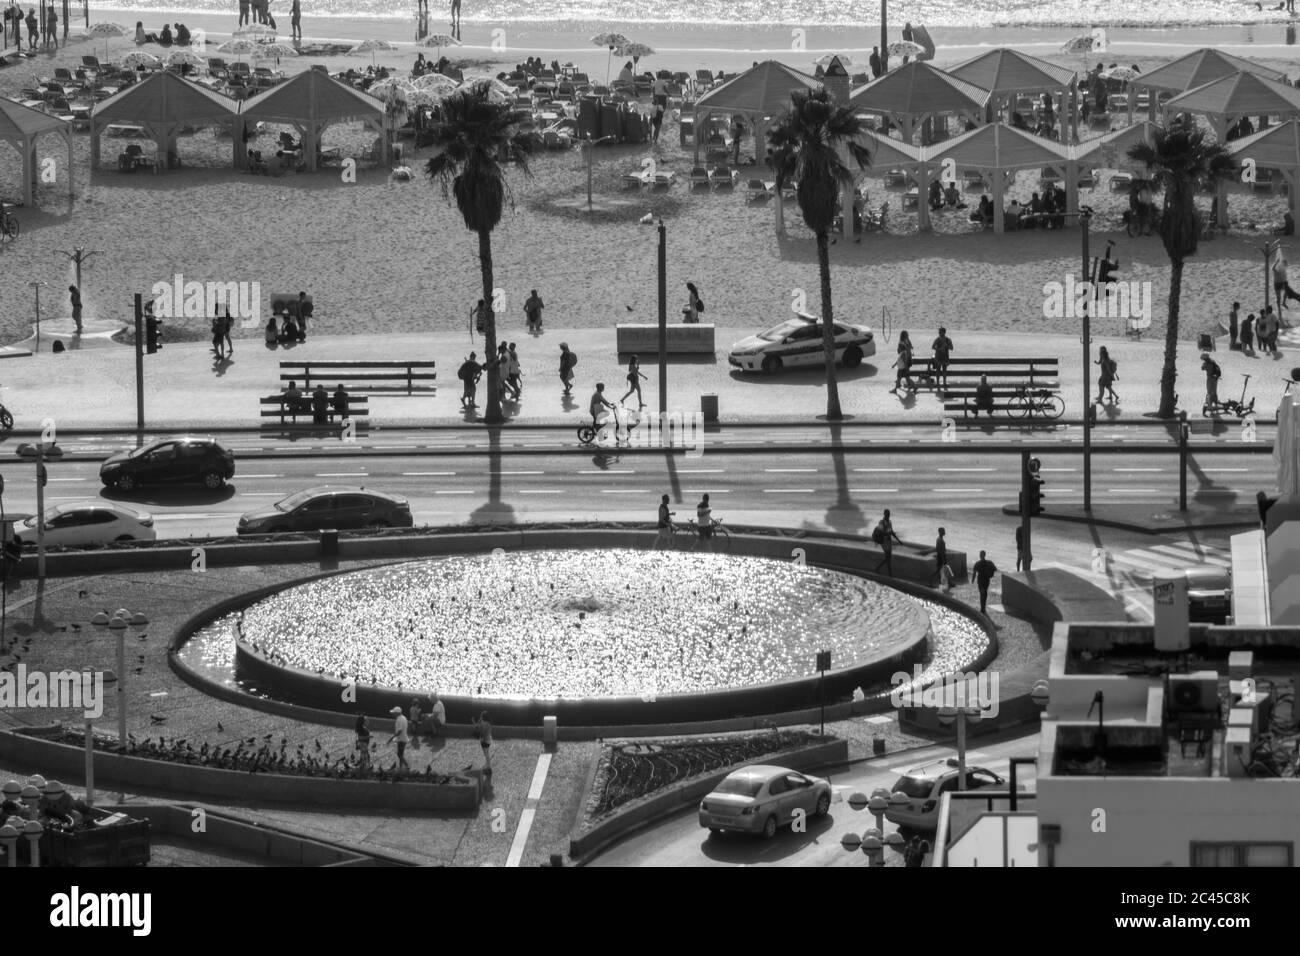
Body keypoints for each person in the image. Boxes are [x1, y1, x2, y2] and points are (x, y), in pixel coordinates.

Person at [872, 508, 902, 576]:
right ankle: (890, 573)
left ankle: (878, 568)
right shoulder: (881, 522)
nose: (888, 516)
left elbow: (891, 532)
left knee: (888, 558)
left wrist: (899, 541)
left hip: (889, 541)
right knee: (888, 558)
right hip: (884, 542)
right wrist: (887, 533)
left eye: (889, 514)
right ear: (884, 514)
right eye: (887, 514)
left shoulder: (890, 522)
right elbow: (881, 532)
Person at [972, 550, 998, 614]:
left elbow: (974, 572)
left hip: (980, 580)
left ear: (980, 555)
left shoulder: (977, 563)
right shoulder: (989, 563)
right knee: (984, 593)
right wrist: (990, 573)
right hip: (986, 580)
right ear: (985, 555)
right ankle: (983, 608)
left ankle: (982, 608)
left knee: (982, 593)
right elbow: (995, 569)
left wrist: (973, 580)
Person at [387, 706, 409, 770]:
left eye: (394, 713)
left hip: (401, 739)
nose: (393, 714)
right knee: (400, 754)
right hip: (403, 739)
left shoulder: (399, 719)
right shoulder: (404, 718)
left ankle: (404, 766)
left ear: (397, 713)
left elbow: (399, 731)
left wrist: (392, 738)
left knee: (399, 755)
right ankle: (400, 766)